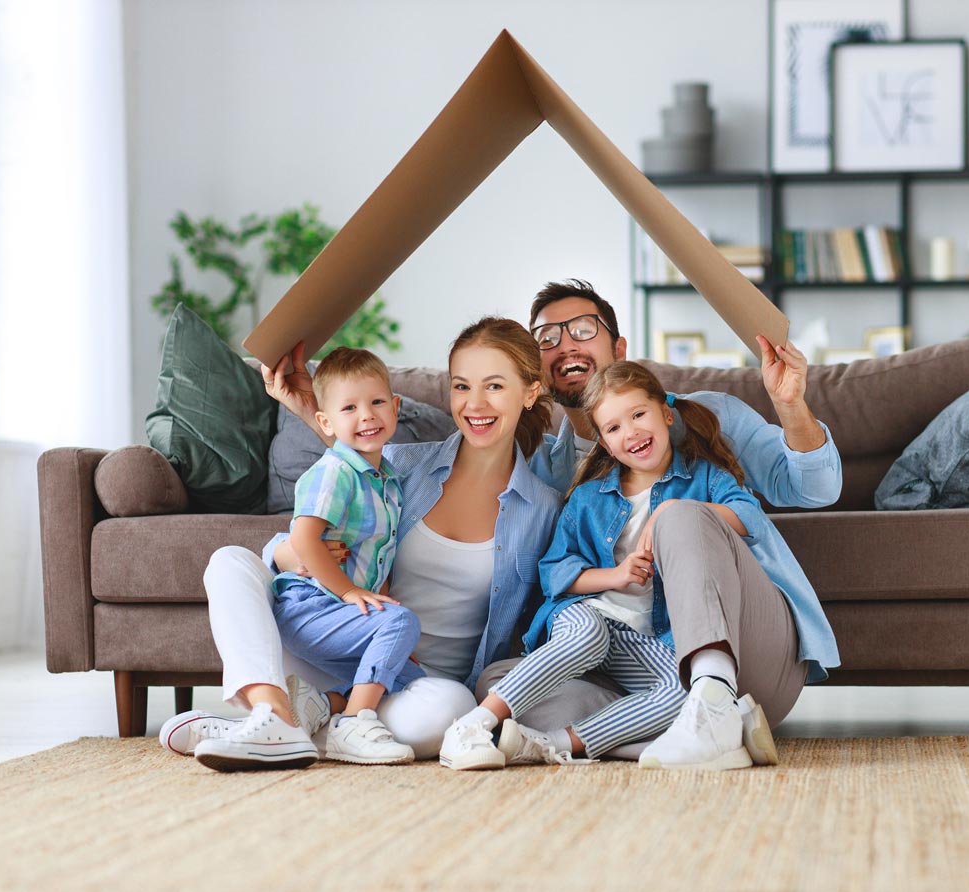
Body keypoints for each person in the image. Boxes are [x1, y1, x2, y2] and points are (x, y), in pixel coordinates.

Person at [159, 318, 563, 767]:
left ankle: (287, 723)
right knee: (230, 561)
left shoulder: (543, 507)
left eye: (494, 386)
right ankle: (275, 711)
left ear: (530, 392)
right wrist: (286, 553)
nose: (475, 404)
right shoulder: (404, 464)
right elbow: (338, 482)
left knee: (451, 712)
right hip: (335, 643)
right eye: (462, 386)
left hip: (414, 684)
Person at [473, 279, 842, 767]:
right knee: (503, 688)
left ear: (619, 347)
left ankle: (710, 700)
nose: (565, 346)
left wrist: (791, 403)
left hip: (747, 651)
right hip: (632, 664)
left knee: (681, 515)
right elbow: (539, 572)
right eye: (546, 338)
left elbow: (816, 490)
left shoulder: (709, 423)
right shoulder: (542, 468)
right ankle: (653, 733)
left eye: (582, 329)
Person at [441, 361, 778, 770]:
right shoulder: (588, 498)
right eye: (614, 428)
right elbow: (555, 572)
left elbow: (751, 517)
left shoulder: (703, 478)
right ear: (603, 443)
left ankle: (556, 743)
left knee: (686, 690)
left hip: (648, 641)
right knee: (545, 656)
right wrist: (616, 576)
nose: (631, 433)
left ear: (666, 415)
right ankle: (474, 724)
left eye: (638, 415)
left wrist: (676, 509)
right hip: (589, 620)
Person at [218, 347, 418, 768]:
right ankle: (353, 723)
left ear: (396, 407)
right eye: (350, 407)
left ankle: (317, 706)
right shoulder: (335, 472)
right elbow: (304, 539)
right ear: (325, 422)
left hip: (340, 613)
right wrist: (347, 592)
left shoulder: (390, 482)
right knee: (404, 621)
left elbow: (380, 559)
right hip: (309, 606)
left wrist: (380, 612)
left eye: (377, 402)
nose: (367, 416)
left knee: (410, 676)